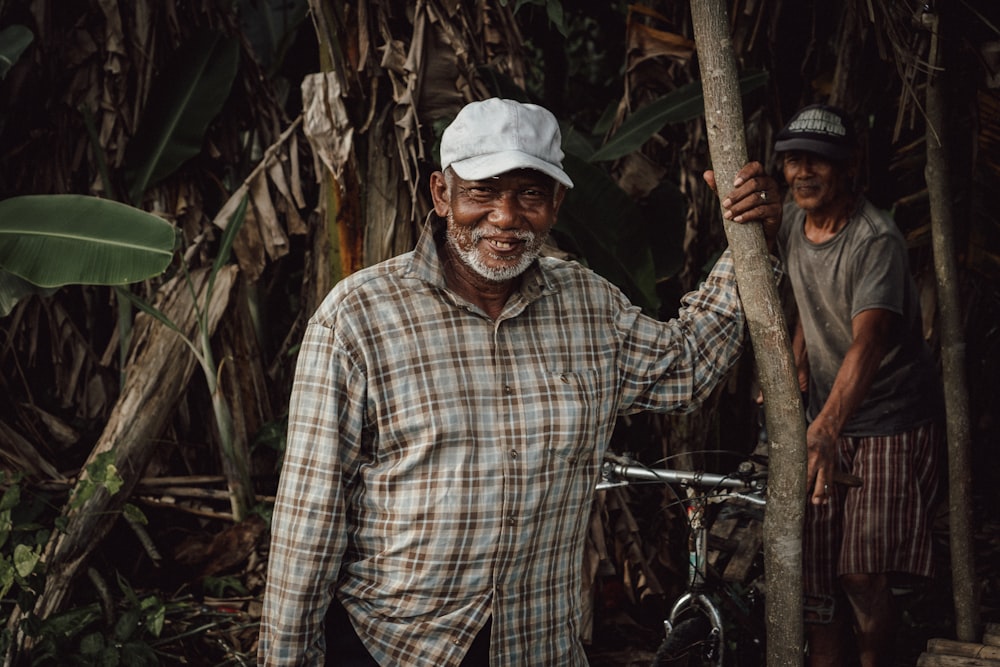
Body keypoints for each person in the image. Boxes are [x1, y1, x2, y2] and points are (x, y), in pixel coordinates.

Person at [257, 97, 780, 666]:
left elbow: (685, 368)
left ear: (557, 202)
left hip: (538, 644)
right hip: (391, 646)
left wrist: (748, 244)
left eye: (530, 193)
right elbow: (309, 519)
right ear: (441, 194)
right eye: (482, 190)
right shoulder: (358, 317)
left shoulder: (587, 305)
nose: (506, 218)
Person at [773, 104, 943, 666]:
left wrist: (822, 429)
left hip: (887, 421)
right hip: (828, 416)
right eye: (793, 159)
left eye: (818, 161)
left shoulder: (876, 241)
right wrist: (796, 358)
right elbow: (808, 299)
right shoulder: (796, 222)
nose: (803, 171)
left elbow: (869, 342)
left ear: (849, 167)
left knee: (861, 572)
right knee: (818, 575)